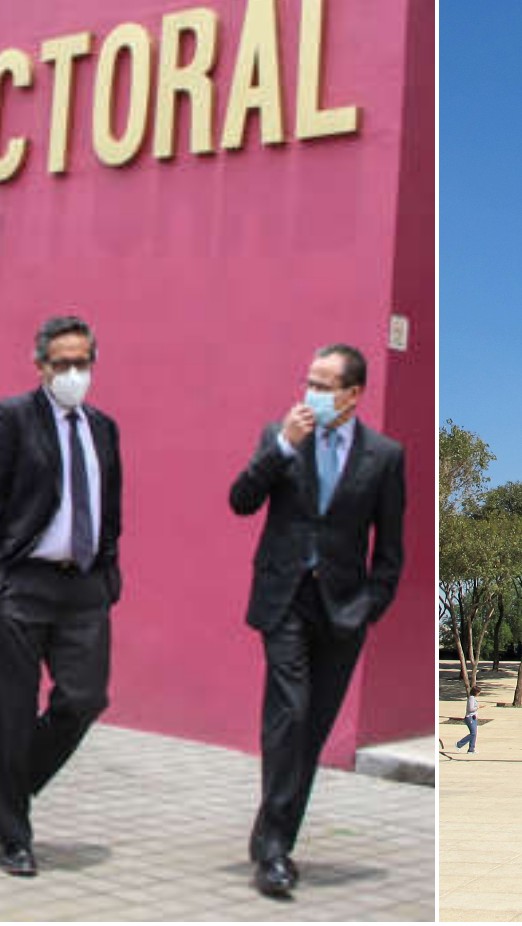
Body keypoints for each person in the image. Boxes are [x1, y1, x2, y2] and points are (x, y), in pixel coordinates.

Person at [230, 343, 405, 899]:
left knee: (310, 732)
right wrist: (284, 446)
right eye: (310, 380)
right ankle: (276, 852)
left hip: (343, 610)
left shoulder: (384, 456)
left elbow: (391, 548)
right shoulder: (279, 438)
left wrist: (370, 606)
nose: (313, 393)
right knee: (287, 715)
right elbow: (241, 499)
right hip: (283, 600)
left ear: (353, 394)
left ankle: (270, 835)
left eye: (326, 384)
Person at [0, 315, 124, 879]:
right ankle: (13, 837)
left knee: (84, 698)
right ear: (40, 366)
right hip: (20, 583)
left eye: (83, 362)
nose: (74, 373)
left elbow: (111, 505)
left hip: (82, 587)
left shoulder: (103, 427)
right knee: (10, 712)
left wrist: (109, 575)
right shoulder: (12, 418)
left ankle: (11, 776)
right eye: (62, 364)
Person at [456, 687, 481, 754]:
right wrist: (478, 707)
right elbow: (470, 709)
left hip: (474, 718)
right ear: (475, 692)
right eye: (478, 692)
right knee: (473, 733)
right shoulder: (471, 698)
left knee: (474, 734)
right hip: (470, 717)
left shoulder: (474, 699)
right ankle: (459, 744)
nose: (479, 694)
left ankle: (471, 749)